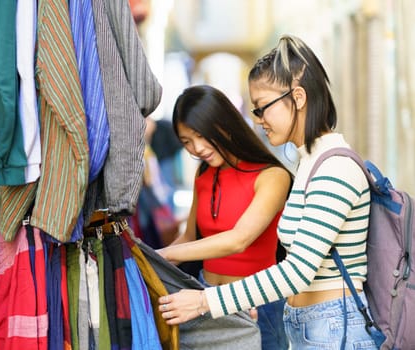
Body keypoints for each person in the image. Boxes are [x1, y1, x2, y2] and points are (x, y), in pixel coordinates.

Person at [158, 35, 378, 349]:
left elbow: (298, 272)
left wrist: (206, 301)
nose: (258, 121)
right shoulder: (310, 164)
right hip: (311, 326)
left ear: (298, 98)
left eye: (262, 109)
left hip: (334, 330)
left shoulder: (335, 168)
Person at [156, 84, 291, 350]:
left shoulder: (273, 176)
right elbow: (188, 236)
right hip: (206, 299)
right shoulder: (203, 175)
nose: (196, 148)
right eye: (186, 142)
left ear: (223, 125)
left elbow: (239, 240)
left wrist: (168, 255)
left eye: (200, 136)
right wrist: (148, 261)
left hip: (257, 302)